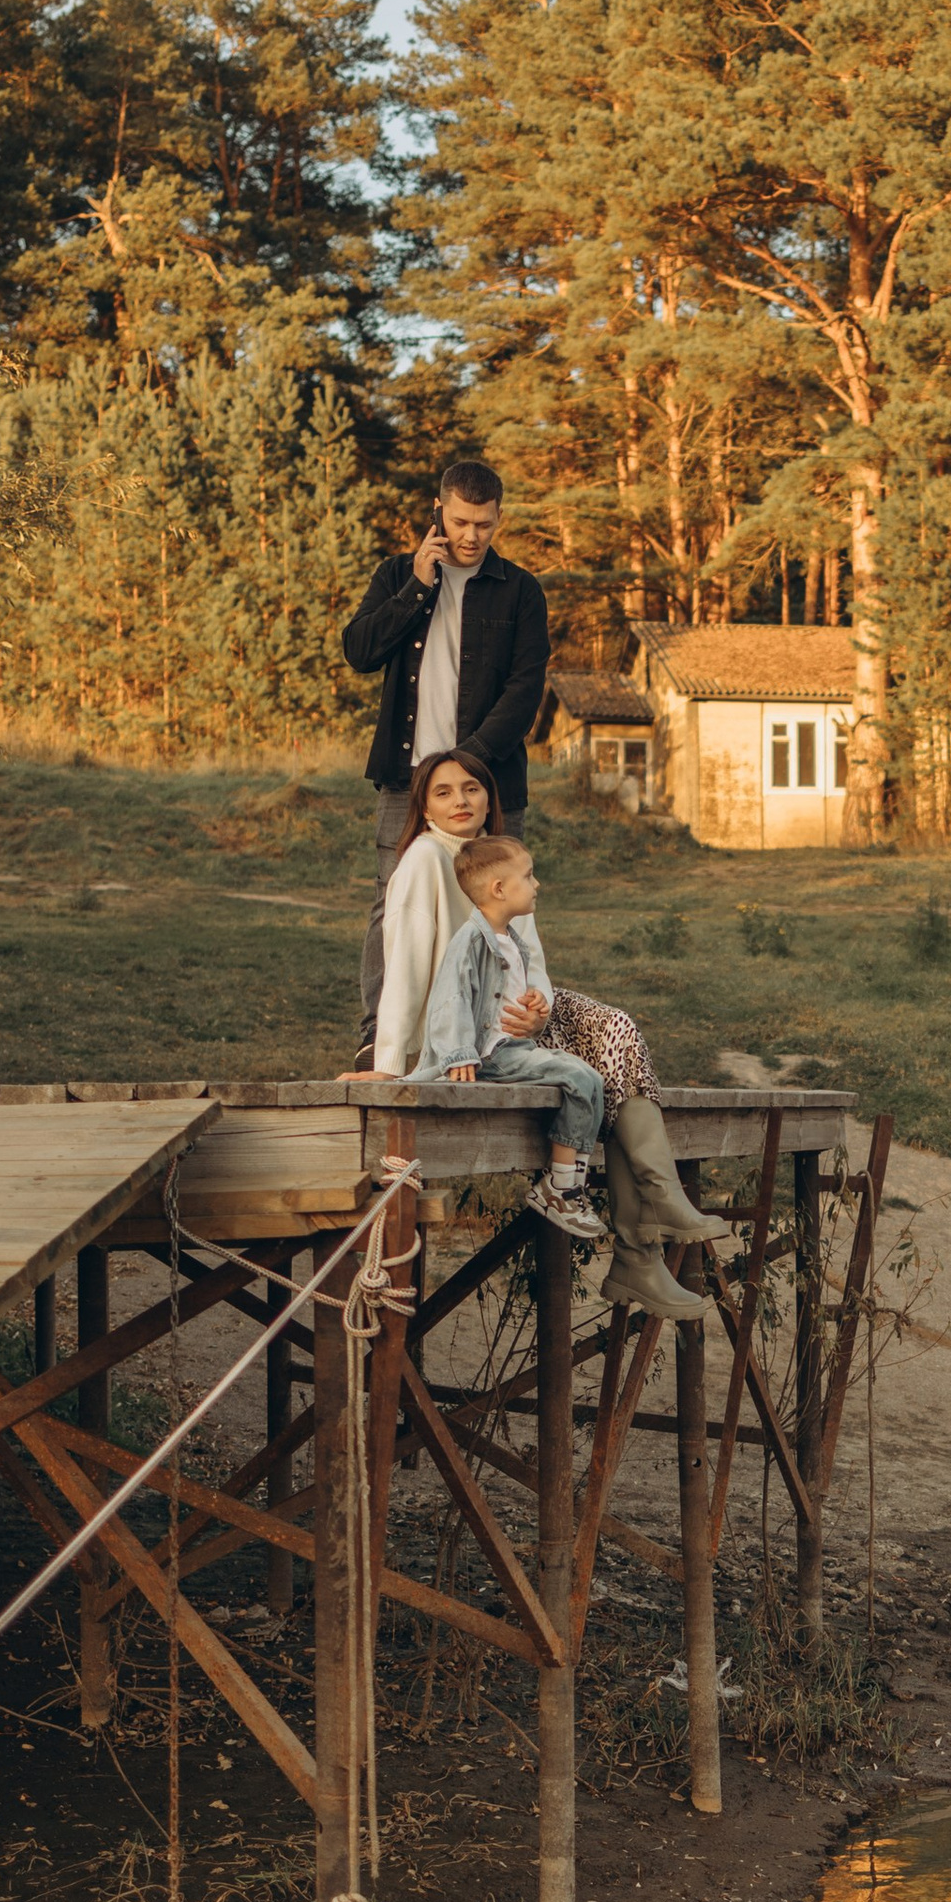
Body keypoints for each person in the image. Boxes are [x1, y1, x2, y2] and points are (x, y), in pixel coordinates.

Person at [364, 741, 728, 1316]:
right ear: (424, 807)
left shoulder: (504, 859)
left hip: (523, 1023)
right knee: (602, 1066)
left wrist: (540, 1006)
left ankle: (652, 1221)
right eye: (443, 791)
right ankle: (641, 1246)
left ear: (489, 797)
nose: (460, 800)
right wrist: (388, 1062)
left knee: (616, 1031)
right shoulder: (424, 859)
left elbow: (534, 961)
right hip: (471, 1033)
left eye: (472, 788)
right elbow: (405, 967)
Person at [342, 453, 550, 1069]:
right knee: (392, 900)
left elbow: (525, 689)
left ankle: (498, 1032)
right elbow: (359, 651)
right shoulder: (396, 576)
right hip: (406, 781)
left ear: (498, 519)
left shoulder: (520, 590)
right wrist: (416, 586)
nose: (471, 536)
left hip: (491, 781)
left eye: (484, 524)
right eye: (460, 521)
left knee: (501, 902)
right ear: (439, 512)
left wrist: (467, 769)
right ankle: (379, 1036)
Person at [421, 835, 608, 1242]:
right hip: (493, 1056)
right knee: (577, 1078)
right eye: (528, 875)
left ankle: (572, 1184)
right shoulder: (469, 941)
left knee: (590, 1078)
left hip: (516, 1048)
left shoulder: (512, 942)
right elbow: (449, 997)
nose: (537, 883)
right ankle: (559, 1189)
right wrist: (458, 1053)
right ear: (499, 889)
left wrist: (536, 1001)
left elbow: (506, 994)